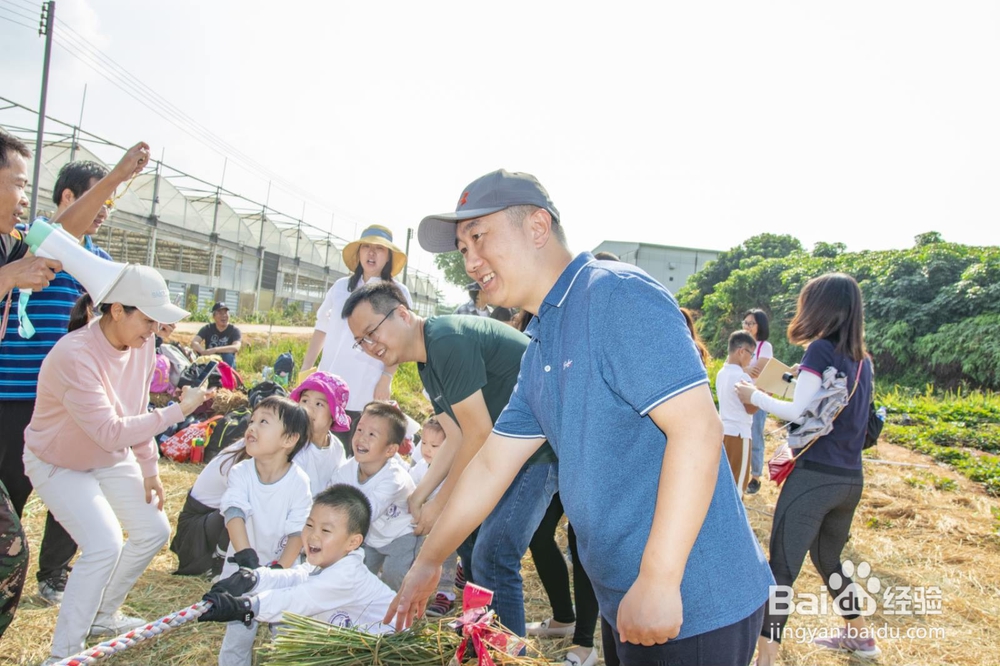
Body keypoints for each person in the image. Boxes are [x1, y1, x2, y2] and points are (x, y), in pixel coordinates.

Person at [389, 169, 772, 666]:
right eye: (462, 249)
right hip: (627, 601)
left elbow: (698, 431)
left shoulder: (615, 296)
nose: (471, 261)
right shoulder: (543, 342)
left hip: (691, 600)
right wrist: (429, 560)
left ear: (537, 227)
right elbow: (490, 466)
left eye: (479, 237)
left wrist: (658, 578)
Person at [342, 281, 558, 637]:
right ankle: (483, 637)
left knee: (493, 553)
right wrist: (420, 494)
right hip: (510, 451)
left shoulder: (447, 342)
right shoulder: (427, 362)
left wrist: (440, 504)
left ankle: (507, 652)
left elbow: (477, 434)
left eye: (371, 332)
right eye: (360, 341)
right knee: (470, 544)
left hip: (538, 451)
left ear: (402, 313)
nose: (370, 347)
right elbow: (455, 436)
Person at [23, 263, 212, 663]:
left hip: (109, 455)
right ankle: (65, 654)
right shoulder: (76, 354)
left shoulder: (143, 347)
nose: (154, 328)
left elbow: (133, 408)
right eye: (147, 318)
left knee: (152, 530)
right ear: (116, 310)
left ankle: (103, 614)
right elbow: (110, 430)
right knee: (103, 543)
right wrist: (179, 410)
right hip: (58, 461)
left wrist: (149, 468)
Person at [0, 147, 150, 609]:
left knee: (74, 484)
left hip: (67, 400)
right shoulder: (33, 241)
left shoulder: (96, 264)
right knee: (14, 490)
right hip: (14, 392)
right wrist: (120, 175)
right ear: (67, 197)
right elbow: (67, 227)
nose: (103, 214)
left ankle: (53, 573)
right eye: (97, 202)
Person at [736, 273, 878, 663]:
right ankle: (861, 636)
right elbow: (822, 406)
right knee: (828, 559)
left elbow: (798, 410)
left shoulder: (819, 350)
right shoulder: (862, 362)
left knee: (781, 568)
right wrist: (775, 381)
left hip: (814, 478)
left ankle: (766, 657)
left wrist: (754, 395)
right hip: (850, 480)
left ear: (820, 308)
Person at [0, 130, 65, 640]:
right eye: (19, 183)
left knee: (8, 546)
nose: (26, 195)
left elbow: (63, 236)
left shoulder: (12, 242)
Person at [198, 484, 395, 634]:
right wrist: (252, 579)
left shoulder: (347, 575)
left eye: (325, 530)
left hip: (390, 646)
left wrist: (245, 607)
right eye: (309, 525)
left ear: (353, 542)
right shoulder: (326, 562)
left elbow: (297, 599)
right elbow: (295, 577)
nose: (313, 536)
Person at [217, 395, 313, 666]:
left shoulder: (298, 482)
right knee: (239, 631)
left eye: (264, 422)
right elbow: (233, 512)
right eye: (252, 420)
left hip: (281, 573)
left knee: (283, 636)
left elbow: (298, 533)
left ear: (288, 440)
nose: (252, 427)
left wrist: (278, 572)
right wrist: (247, 559)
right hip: (243, 572)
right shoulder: (241, 472)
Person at [302, 225, 412, 455]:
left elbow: (401, 342)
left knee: (354, 449)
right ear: (359, 252)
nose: (371, 253)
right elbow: (321, 327)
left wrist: (386, 378)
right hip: (328, 381)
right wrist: (306, 367)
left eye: (379, 249)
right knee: (316, 444)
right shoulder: (341, 287)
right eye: (367, 247)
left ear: (389, 256)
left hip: (366, 385)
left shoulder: (396, 292)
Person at [331, 401, 419, 590]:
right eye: (360, 430)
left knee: (394, 576)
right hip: (371, 537)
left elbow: (367, 512)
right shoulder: (345, 471)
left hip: (400, 534)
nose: (361, 438)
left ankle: (394, 613)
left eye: (372, 434)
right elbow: (331, 500)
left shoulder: (394, 479)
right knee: (360, 575)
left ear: (390, 450)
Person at [407, 417, 457, 617]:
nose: (426, 449)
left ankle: (446, 591)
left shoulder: (452, 470)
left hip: (446, 521)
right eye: (424, 443)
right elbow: (410, 487)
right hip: (424, 522)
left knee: (447, 553)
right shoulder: (420, 467)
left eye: (435, 445)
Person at [289, 371, 352, 493]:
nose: (309, 408)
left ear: (333, 415)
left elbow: (338, 484)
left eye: (319, 404)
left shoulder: (337, 448)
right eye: (305, 401)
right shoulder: (291, 443)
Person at [716, 330, 759, 493]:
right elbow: (751, 408)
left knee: (723, 482)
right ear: (742, 351)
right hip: (739, 434)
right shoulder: (742, 377)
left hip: (724, 431)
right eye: (751, 354)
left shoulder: (722, 373)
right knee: (738, 485)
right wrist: (762, 395)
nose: (751, 359)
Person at [743, 308, 772, 494]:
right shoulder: (741, 344)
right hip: (741, 396)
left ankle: (755, 476)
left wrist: (743, 368)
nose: (747, 326)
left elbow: (757, 371)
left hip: (758, 396)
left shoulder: (764, 346)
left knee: (756, 436)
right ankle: (742, 472)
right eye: (745, 323)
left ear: (759, 326)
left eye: (750, 323)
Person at [192, 302, 242, 367]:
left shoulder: (234, 330)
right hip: (210, 360)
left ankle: (228, 376)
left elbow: (236, 347)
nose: (224, 315)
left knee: (228, 356)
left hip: (226, 363)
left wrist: (215, 349)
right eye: (220, 313)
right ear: (214, 316)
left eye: (225, 313)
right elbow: (194, 342)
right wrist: (203, 352)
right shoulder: (208, 328)